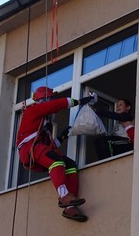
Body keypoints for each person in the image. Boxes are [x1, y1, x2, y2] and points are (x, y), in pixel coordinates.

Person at [16, 86, 94, 222]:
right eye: (51, 99)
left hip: (37, 150)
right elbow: (58, 104)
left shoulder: (44, 124)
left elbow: (50, 147)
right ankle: (64, 196)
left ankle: (70, 207)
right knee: (56, 161)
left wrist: (62, 137)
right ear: (45, 100)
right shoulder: (33, 110)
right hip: (30, 149)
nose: (52, 101)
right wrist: (80, 101)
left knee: (70, 164)